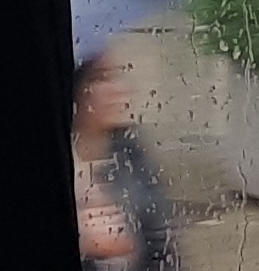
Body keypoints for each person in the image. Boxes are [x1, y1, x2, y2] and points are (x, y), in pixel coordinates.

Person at [68, 54, 182, 271]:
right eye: (99, 78)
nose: (118, 89)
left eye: (117, 76)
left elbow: (161, 243)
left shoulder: (131, 153)